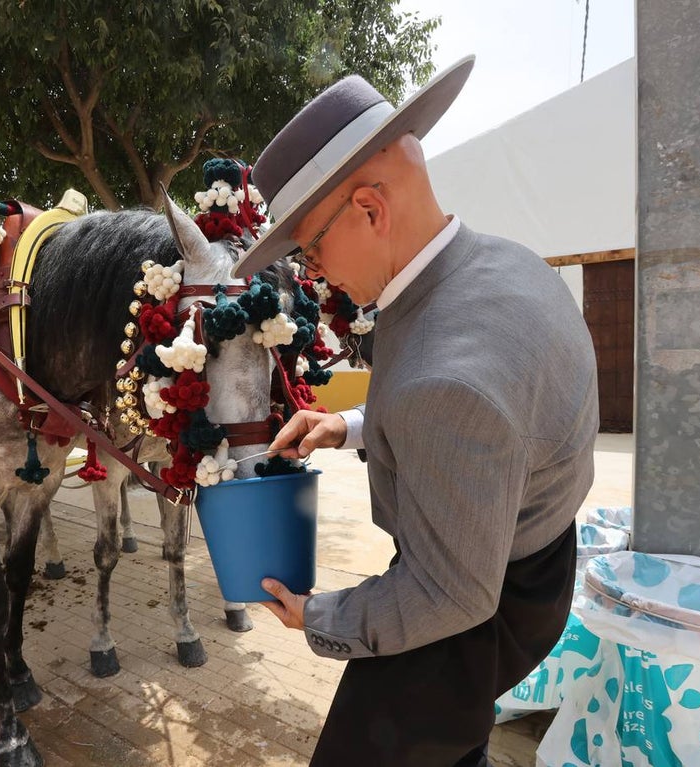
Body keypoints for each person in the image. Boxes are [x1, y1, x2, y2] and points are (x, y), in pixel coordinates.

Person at [231, 58, 599, 767]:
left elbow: (446, 592)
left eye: (311, 246)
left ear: (370, 209)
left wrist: (318, 614)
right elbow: (484, 419)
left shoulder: (447, 380)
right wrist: (354, 425)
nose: (312, 273)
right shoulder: (504, 264)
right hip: (522, 553)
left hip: (479, 599)